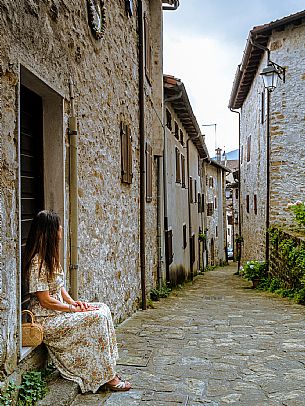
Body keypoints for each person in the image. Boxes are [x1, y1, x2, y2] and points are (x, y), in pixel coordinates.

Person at [23, 210, 131, 393]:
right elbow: (45, 300)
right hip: (47, 319)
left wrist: (76, 303)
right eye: (58, 226)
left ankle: (109, 369)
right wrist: (72, 310)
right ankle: (108, 378)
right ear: (50, 231)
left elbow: (60, 288)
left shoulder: (51, 258)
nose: (61, 228)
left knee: (102, 308)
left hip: (59, 312)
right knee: (96, 318)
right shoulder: (37, 263)